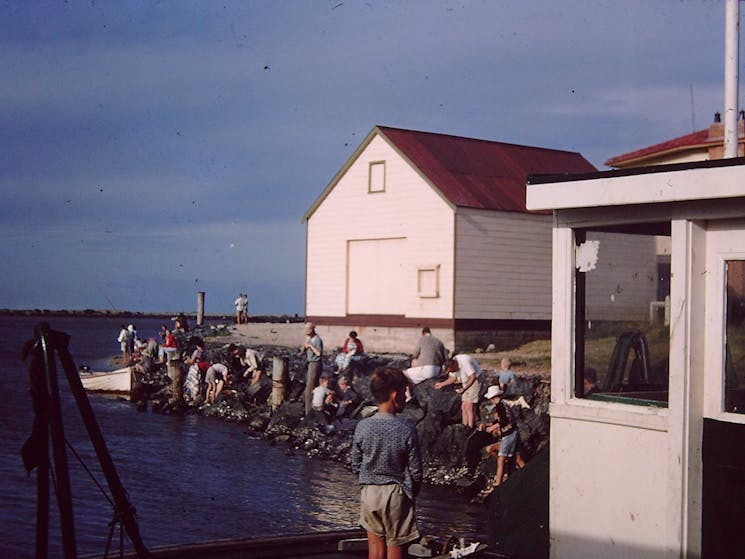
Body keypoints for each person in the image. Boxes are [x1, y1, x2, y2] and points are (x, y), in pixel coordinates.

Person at [351, 367, 422, 559]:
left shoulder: (363, 426)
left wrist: (365, 481)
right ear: (394, 394)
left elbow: (355, 463)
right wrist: (411, 494)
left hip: (370, 491)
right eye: (404, 392)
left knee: (375, 550)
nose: (406, 397)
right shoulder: (406, 429)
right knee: (395, 548)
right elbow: (416, 471)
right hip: (395, 493)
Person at [480, 385, 525, 488]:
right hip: (512, 432)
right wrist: (488, 425)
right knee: (517, 458)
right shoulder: (503, 404)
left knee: (501, 459)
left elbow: (503, 421)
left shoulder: (500, 406)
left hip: (509, 434)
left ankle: (498, 483)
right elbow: (501, 420)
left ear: (493, 397)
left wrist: (491, 428)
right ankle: (527, 474)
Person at [434, 354, 482, 428]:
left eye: (452, 370)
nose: (452, 372)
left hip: (475, 380)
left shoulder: (465, 362)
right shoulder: (453, 364)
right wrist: (442, 384)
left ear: (454, 365)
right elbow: (453, 378)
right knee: (464, 406)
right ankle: (464, 426)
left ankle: (470, 427)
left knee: (469, 406)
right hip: (465, 381)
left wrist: (464, 389)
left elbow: (473, 376)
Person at [300, 322, 323, 416]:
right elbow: (302, 352)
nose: (305, 331)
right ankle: (311, 409)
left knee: (310, 388)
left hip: (315, 363)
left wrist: (310, 346)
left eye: (307, 329)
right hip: (310, 363)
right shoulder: (309, 338)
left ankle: (308, 412)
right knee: (310, 386)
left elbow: (319, 353)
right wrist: (304, 347)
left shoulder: (317, 340)